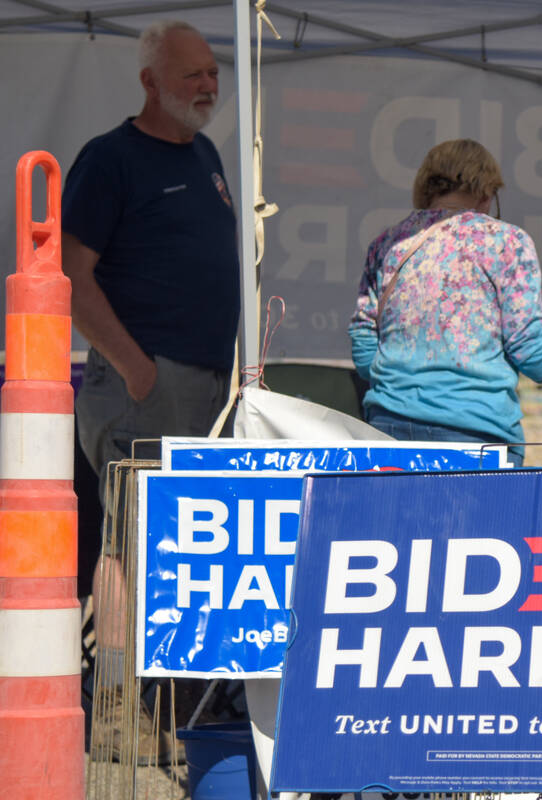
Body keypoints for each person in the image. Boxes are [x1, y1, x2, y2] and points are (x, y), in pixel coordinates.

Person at [61, 19, 239, 761]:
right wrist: (137, 367)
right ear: (149, 82)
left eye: (211, 72)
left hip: (206, 388)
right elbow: (71, 273)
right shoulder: (109, 160)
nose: (208, 85)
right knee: (131, 549)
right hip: (143, 384)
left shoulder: (207, 155)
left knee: (186, 551)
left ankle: (176, 713)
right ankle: (118, 713)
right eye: (192, 73)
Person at [349, 139, 542, 468]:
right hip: (478, 436)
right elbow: (537, 359)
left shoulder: (387, 244)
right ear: (487, 191)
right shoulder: (507, 242)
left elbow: (364, 351)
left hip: (388, 429)